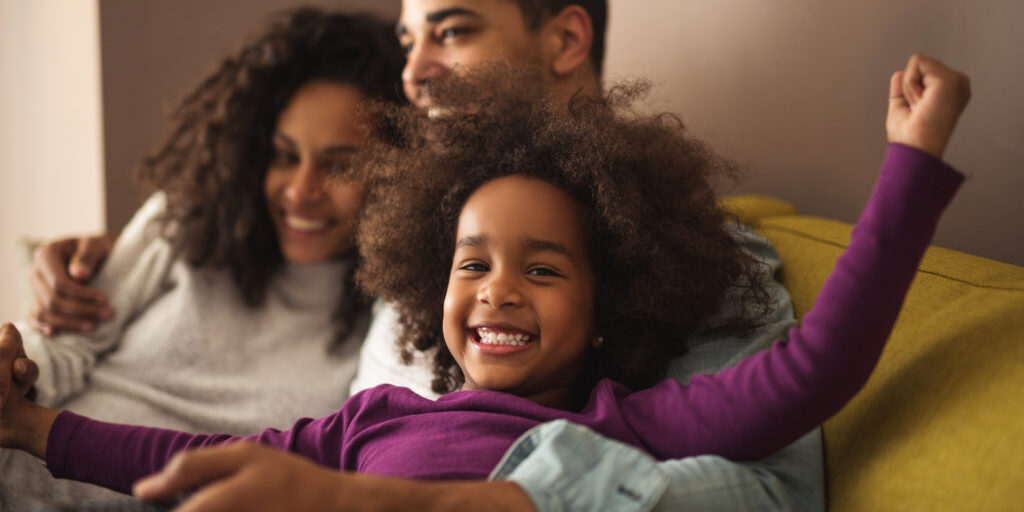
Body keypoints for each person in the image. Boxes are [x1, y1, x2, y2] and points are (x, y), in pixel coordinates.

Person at [0, 53, 971, 511]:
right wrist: (28, 425)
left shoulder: (621, 426)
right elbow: (191, 456)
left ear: (607, 310)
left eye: (542, 269)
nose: (498, 289)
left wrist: (911, 164)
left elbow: (813, 368)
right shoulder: (368, 418)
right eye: (472, 264)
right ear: (433, 285)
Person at [0, 7, 407, 510]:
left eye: (340, 166)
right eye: (284, 156)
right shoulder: (187, 225)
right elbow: (61, 350)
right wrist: (15, 366)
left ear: (397, 178)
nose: (301, 190)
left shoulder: (390, 329)